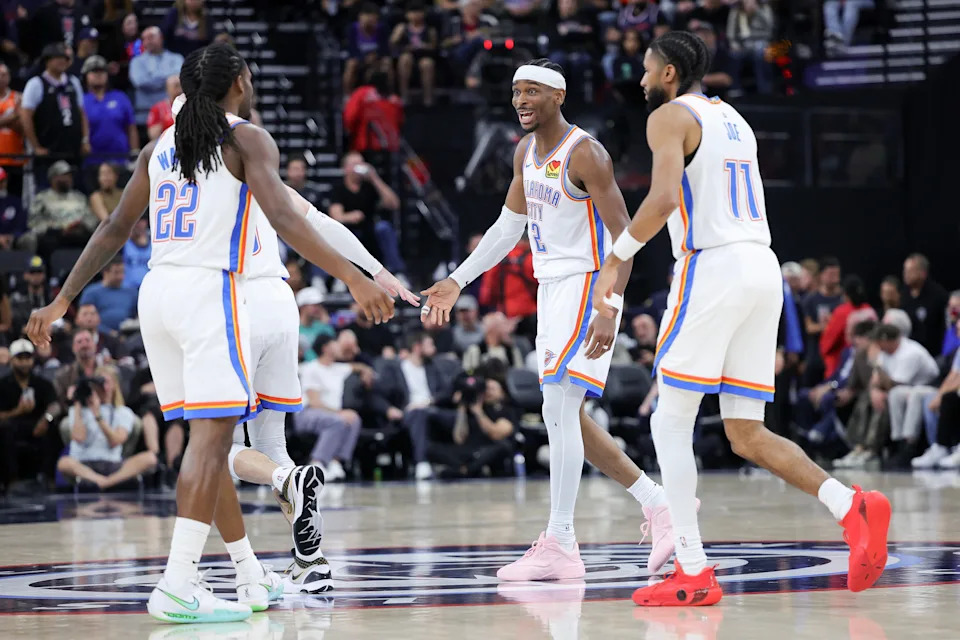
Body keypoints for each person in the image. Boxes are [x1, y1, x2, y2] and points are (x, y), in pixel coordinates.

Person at [26, 42, 394, 624]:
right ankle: (178, 583)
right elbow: (286, 218)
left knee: (213, 444)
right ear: (240, 83)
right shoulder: (245, 138)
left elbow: (117, 226)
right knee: (214, 444)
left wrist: (61, 299)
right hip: (208, 294)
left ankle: (249, 574)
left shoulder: (159, 146)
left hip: (158, 294)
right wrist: (352, 276)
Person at [594, 31, 890, 606]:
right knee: (744, 431)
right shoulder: (735, 119)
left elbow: (659, 202)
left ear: (671, 75)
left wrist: (615, 259)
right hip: (763, 266)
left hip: (712, 266)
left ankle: (693, 569)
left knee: (670, 422)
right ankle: (849, 505)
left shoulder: (667, 118)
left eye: (648, 70)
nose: (641, 80)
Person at [421, 58, 676, 582]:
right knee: (566, 417)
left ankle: (561, 539)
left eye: (532, 91)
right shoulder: (524, 152)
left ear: (558, 96)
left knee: (560, 410)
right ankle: (658, 504)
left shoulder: (586, 154)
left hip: (587, 285)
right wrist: (458, 279)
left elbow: (625, 238)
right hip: (553, 290)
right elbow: (506, 227)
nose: (520, 101)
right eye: (516, 91)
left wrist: (609, 307)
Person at [223, 177, 416, 593]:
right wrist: (376, 272)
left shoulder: (188, 170)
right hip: (279, 302)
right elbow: (325, 225)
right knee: (273, 445)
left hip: (232, 304)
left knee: (215, 448)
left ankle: (192, 570)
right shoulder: (256, 168)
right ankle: (311, 563)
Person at [56, 365, 158, 489]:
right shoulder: (77, 410)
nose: (102, 387)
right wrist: (78, 403)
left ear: (114, 385)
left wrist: (98, 416)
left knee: (150, 458)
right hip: (84, 463)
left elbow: (115, 441)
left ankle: (106, 482)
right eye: (99, 382)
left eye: (106, 382)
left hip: (112, 463)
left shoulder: (123, 412)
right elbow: (78, 438)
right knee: (64, 462)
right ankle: (103, 481)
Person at [19, 43, 90, 188]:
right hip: (48, 152)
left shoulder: (73, 81)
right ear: (47, 61)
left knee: (77, 192)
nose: (62, 61)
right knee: (47, 193)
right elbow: (25, 117)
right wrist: (36, 146)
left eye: (64, 58)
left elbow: (82, 113)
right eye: (57, 58)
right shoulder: (36, 84)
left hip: (73, 151)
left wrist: (85, 139)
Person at [328, 152, 406, 275]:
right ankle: (341, 276)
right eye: (355, 164)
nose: (359, 167)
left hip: (370, 228)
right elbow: (336, 216)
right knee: (334, 234)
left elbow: (394, 204)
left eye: (361, 163)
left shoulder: (370, 186)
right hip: (348, 229)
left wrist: (375, 178)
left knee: (384, 228)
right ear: (346, 168)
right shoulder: (338, 188)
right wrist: (350, 216)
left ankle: (397, 272)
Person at [0, 339, 60, 493]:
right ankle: (11, 480)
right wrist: (18, 411)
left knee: (54, 427)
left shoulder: (42, 383)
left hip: (38, 424)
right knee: (5, 430)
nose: (25, 363)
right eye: (20, 359)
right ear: (12, 360)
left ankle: (48, 477)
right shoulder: (3, 384)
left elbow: (55, 405)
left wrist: (46, 419)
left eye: (28, 358)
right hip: (12, 425)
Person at [24, 161, 98, 257]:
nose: (68, 179)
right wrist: (57, 228)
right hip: (55, 235)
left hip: (78, 234)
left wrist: (83, 225)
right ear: (53, 178)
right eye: (64, 175)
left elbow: (91, 219)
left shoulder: (79, 197)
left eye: (69, 176)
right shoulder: (42, 198)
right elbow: (33, 223)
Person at [82, 55, 138, 167]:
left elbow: (131, 127)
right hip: (92, 160)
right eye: (94, 71)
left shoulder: (120, 97)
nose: (98, 75)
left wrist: (135, 151)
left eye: (102, 71)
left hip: (120, 158)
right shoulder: (81, 100)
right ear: (85, 76)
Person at [129, 27, 184, 126]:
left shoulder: (177, 58)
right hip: (144, 114)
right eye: (144, 39)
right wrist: (168, 80)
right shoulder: (136, 61)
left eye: (150, 37)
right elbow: (140, 82)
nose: (147, 41)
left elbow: (180, 78)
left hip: (172, 114)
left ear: (161, 38)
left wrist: (152, 77)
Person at [390, 0, 438, 106]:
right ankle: (404, 95)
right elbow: (392, 44)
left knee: (427, 63)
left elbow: (434, 47)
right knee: (405, 59)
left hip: (424, 55)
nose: (415, 15)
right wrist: (397, 36)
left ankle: (428, 97)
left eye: (418, 12)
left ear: (424, 13)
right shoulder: (402, 28)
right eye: (412, 12)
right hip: (406, 55)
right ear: (407, 14)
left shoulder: (429, 29)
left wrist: (426, 46)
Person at [901, 253, 949, 356]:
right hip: (909, 352)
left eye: (910, 271)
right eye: (905, 270)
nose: (906, 274)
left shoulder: (938, 296)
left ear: (923, 273)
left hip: (933, 354)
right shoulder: (903, 295)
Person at [79, 257, 138, 333]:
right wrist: (108, 332)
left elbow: (137, 316)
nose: (121, 277)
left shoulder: (132, 292)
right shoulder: (91, 293)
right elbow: (84, 319)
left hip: (129, 335)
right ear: (105, 272)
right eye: (116, 272)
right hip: (100, 335)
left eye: (123, 272)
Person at [0, 63, 25, 197]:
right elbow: (16, 117)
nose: (2, 77)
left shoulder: (18, 98)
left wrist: (5, 121)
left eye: (5, 74)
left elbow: (23, 129)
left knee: (14, 200)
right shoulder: (17, 105)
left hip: (15, 158)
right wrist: (14, 116)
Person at [147, 75, 182, 141]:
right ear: (167, 88)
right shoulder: (158, 108)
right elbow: (152, 135)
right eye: (176, 86)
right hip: (165, 141)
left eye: (181, 85)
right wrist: (165, 122)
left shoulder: (189, 104)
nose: (179, 90)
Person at [123, 216, 151, 290]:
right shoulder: (123, 242)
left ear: (146, 222)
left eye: (140, 221)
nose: (138, 225)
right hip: (127, 289)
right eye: (135, 222)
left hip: (149, 288)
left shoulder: (154, 242)